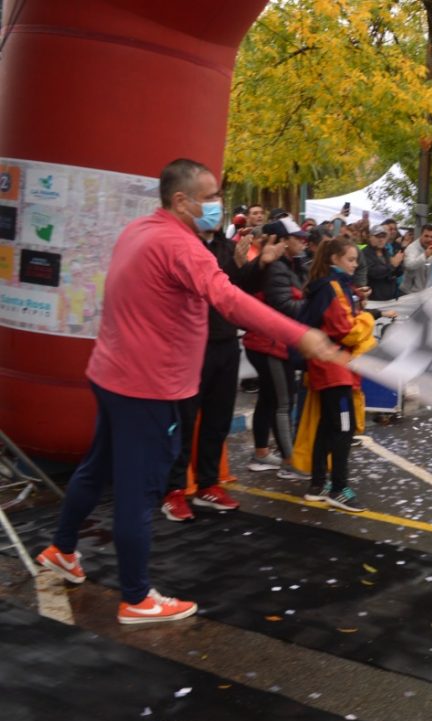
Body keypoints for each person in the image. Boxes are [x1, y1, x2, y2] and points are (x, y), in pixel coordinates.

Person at [34, 158, 338, 625]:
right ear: (181, 200)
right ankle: (136, 598)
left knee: (95, 469)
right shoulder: (182, 247)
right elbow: (229, 301)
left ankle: (62, 549)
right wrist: (299, 335)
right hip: (147, 388)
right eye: (211, 196)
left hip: (113, 376)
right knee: (140, 491)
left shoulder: (139, 230)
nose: (219, 204)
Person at [159, 207, 264, 522]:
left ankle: (208, 483)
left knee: (218, 419)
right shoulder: (183, 242)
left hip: (226, 341)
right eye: (207, 202)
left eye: (217, 203)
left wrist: (258, 264)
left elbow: (239, 289)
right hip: (191, 344)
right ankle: (173, 489)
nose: (215, 211)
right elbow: (203, 284)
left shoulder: (228, 247)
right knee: (185, 419)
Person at [299, 237, 388, 512]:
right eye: (350, 259)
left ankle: (318, 484)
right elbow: (346, 331)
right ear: (334, 259)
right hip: (334, 367)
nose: (354, 265)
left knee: (328, 425)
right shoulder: (333, 287)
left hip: (328, 365)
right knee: (343, 428)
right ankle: (338, 488)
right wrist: (368, 317)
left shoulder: (330, 286)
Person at [242, 217, 313, 480]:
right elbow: (283, 305)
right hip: (270, 343)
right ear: (279, 241)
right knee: (283, 402)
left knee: (270, 399)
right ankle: (289, 461)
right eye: (295, 238)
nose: (302, 242)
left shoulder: (290, 265)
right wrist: (315, 307)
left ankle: (261, 454)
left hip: (272, 343)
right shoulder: (275, 267)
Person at [362, 223, 404, 301]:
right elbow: (374, 273)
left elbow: (396, 273)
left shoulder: (386, 253)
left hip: (390, 298)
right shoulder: (364, 253)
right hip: (374, 300)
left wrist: (399, 264)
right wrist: (393, 265)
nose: (381, 239)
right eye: (378, 236)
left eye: (383, 237)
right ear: (370, 237)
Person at [401, 224, 432, 294]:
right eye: (426, 236)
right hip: (409, 292)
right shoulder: (412, 248)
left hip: (425, 291)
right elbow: (409, 265)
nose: (429, 239)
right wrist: (425, 255)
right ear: (421, 235)